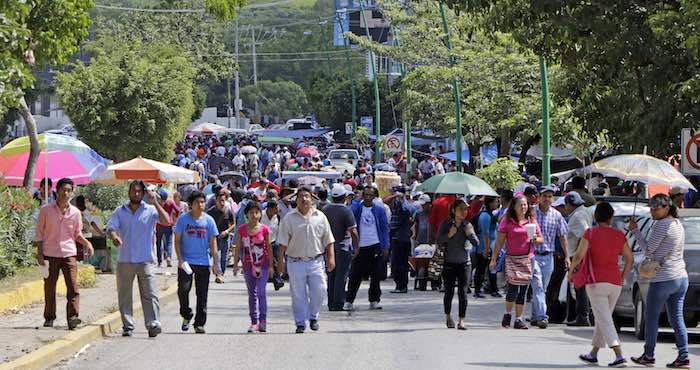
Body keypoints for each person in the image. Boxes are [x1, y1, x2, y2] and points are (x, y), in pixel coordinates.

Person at [630, 194, 691, 369]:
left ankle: (648, 355)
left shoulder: (662, 225)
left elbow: (649, 251)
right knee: (677, 319)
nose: (653, 211)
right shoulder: (678, 224)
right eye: (651, 208)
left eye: (656, 208)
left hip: (664, 278)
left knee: (651, 317)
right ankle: (684, 356)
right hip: (681, 277)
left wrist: (635, 230)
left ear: (666, 207)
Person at [570, 202, 633, 368]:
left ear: (595, 217)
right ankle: (593, 354)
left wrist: (570, 271)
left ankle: (619, 355)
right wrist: (622, 276)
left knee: (604, 318)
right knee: (602, 317)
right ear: (611, 218)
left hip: (596, 282)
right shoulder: (619, 235)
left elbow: (578, 256)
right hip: (615, 283)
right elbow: (630, 258)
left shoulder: (590, 233)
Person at [107, 180, 170, 338]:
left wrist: (155, 201)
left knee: (150, 293)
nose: (136, 194)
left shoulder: (150, 210)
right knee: (125, 295)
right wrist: (115, 237)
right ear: (128, 193)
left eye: (139, 191)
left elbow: (166, 221)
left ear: (143, 194)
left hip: (145, 259)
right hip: (125, 259)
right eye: (133, 191)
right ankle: (128, 325)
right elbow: (111, 228)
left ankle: (153, 323)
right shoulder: (119, 211)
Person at [34, 178, 94, 330]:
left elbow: (77, 234)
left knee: (73, 287)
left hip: (69, 254)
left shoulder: (75, 213)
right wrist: (39, 254)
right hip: (49, 254)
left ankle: (73, 317)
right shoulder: (46, 210)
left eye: (69, 190)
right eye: (63, 190)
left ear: (72, 192)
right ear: (58, 191)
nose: (65, 193)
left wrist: (87, 243)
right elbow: (39, 234)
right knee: (49, 287)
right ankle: (49, 317)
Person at [277, 187, 335, 334]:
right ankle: (300, 322)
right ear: (296, 200)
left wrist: (331, 257)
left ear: (312, 199)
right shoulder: (289, 218)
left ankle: (314, 316)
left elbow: (328, 240)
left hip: (316, 261)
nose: (304, 199)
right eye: (301, 196)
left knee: (320, 290)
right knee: (298, 294)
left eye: (307, 196)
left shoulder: (320, 216)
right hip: (295, 261)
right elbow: (282, 243)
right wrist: (281, 263)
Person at [489, 193, 543, 329]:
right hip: (512, 259)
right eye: (520, 205)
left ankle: (518, 319)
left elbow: (540, 239)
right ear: (514, 206)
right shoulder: (507, 221)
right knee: (513, 289)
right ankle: (508, 314)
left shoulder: (531, 221)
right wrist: (494, 259)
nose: (523, 207)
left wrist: (535, 239)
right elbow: (499, 241)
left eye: (525, 204)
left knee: (523, 290)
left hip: (527, 258)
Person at [173, 191, 220, 334]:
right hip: (186, 262)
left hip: (203, 262)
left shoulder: (209, 221)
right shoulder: (183, 220)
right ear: (190, 205)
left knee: (202, 294)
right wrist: (180, 259)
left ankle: (199, 324)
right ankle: (186, 314)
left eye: (202, 202)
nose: (200, 205)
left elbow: (213, 243)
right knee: (183, 290)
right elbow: (177, 241)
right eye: (197, 202)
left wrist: (215, 264)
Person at [345, 186, 390, 311]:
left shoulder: (380, 210)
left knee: (376, 275)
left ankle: (374, 300)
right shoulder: (356, 208)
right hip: (360, 247)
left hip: (375, 245)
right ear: (362, 195)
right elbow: (348, 216)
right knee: (355, 275)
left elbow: (385, 228)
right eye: (366, 195)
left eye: (371, 195)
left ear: (374, 197)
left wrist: (385, 246)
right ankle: (349, 300)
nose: (368, 198)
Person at [530, 185, 569, 329]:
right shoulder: (531, 212)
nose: (547, 199)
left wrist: (567, 256)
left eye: (550, 196)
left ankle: (535, 315)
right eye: (544, 196)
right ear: (539, 197)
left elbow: (563, 236)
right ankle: (542, 316)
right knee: (538, 286)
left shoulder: (557, 215)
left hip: (549, 257)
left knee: (542, 288)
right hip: (533, 255)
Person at [437, 199, 479, 330]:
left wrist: (470, 234)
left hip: (464, 263)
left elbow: (476, 243)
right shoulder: (446, 224)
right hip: (449, 262)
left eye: (466, 209)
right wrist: (449, 234)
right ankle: (448, 316)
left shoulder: (468, 225)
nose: (464, 212)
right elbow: (439, 240)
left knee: (463, 292)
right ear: (453, 210)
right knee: (448, 291)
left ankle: (462, 320)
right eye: (461, 209)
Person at [233, 201, 273, 333]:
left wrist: (272, 266)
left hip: (263, 265)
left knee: (261, 292)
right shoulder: (242, 230)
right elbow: (238, 247)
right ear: (247, 215)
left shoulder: (264, 229)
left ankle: (263, 321)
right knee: (252, 293)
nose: (254, 215)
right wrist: (235, 264)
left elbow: (269, 248)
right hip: (248, 265)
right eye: (251, 213)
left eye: (257, 212)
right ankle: (254, 322)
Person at [322, 184, 358, 311]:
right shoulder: (346, 211)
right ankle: (338, 302)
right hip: (343, 248)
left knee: (331, 275)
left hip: (328, 247)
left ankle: (331, 302)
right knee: (341, 276)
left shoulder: (325, 209)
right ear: (344, 197)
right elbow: (353, 231)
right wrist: (357, 247)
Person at [564, 192, 594, 326]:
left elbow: (586, 234)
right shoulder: (584, 211)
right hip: (580, 254)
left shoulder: (577, 216)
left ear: (569, 205)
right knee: (579, 287)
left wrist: (577, 252)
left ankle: (582, 317)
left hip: (578, 255)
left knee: (579, 286)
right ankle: (581, 315)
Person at [387, 188, 414, 294]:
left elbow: (407, 212)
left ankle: (402, 286)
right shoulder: (399, 205)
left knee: (400, 263)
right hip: (399, 238)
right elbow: (385, 201)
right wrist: (395, 197)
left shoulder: (404, 207)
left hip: (401, 238)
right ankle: (400, 285)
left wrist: (400, 198)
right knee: (398, 263)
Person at [474, 196, 500, 298]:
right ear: (490, 203)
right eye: (495, 201)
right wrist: (486, 249)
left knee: (492, 269)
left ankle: (494, 289)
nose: (497, 203)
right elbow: (485, 234)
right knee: (481, 269)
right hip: (484, 247)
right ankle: (477, 290)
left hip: (491, 247)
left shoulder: (490, 215)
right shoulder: (485, 216)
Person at [207, 189, 235, 283]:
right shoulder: (211, 212)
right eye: (220, 200)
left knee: (224, 258)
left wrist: (227, 231)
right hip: (215, 238)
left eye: (223, 200)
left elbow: (233, 224)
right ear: (216, 200)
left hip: (226, 238)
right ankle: (218, 274)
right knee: (217, 256)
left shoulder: (228, 211)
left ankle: (221, 274)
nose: (222, 203)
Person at [261, 200, 283, 290]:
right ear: (270, 209)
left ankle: (277, 280)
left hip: (273, 242)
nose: (277, 210)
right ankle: (275, 280)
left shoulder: (277, 217)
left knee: (274, 261)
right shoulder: (260, 215)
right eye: (275, 208)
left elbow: (279, 230)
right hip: (261, 242)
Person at [155, 188, 179, 268]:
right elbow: (178, 210)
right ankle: (168, 257)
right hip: (168, 224)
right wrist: (175, 219)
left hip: (159, 225)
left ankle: (159, 261)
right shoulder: (170, 202)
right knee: (169, 242)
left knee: (158, 243)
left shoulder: (157, 204)